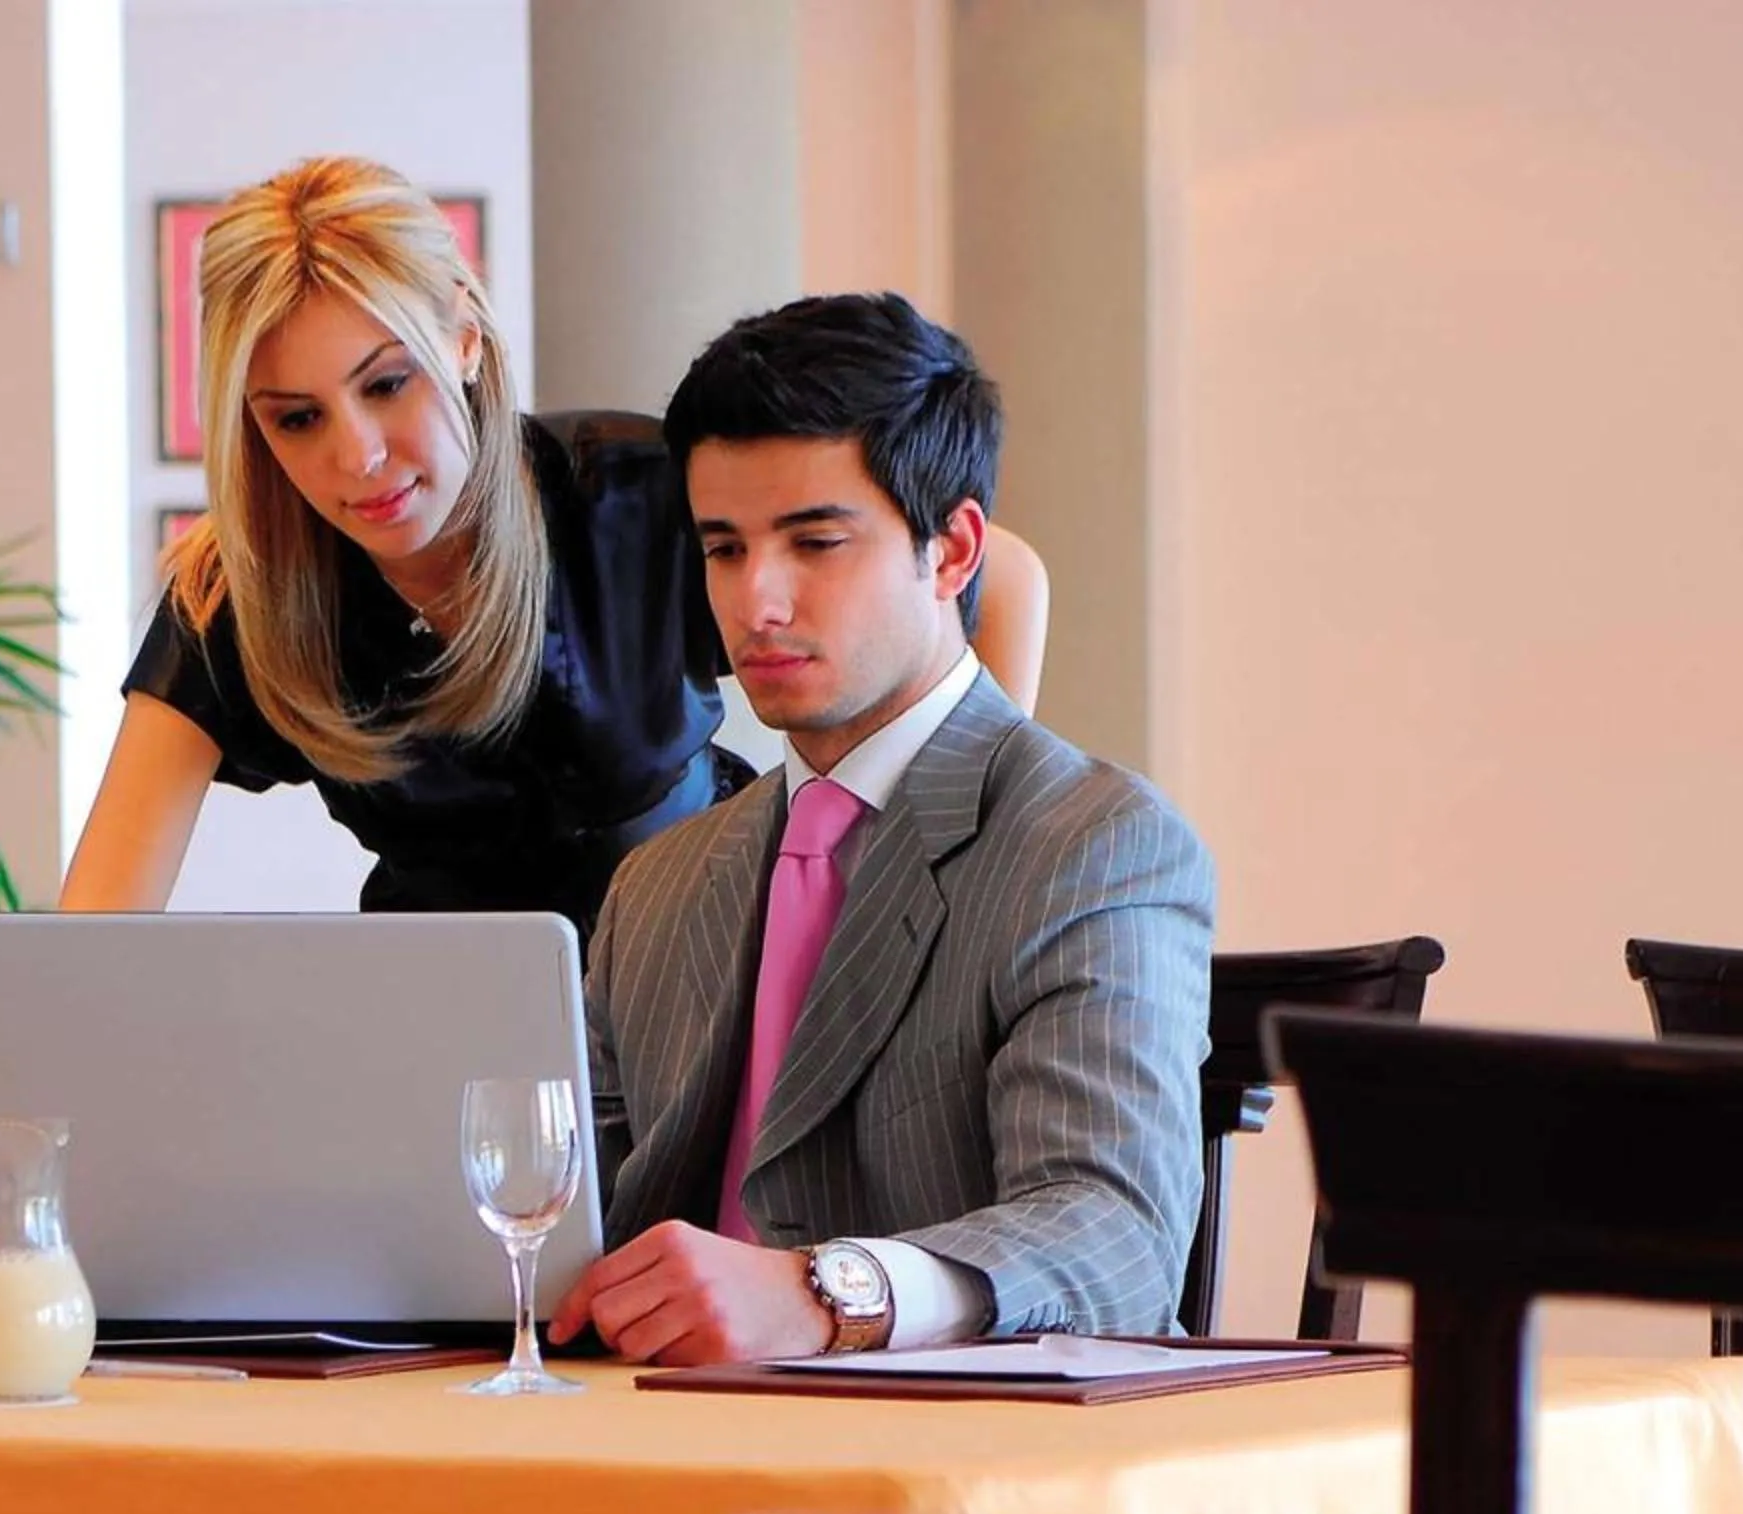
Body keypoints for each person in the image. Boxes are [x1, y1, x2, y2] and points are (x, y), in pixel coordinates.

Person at [60, 156, 1050, 934]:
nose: (357, 457)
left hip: (711, 1005)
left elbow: (1000, 575)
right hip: (447, 1045)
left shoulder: (628, 496)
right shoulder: (252, 598)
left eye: (387, 383)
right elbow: (90, 933)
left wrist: (947, 873)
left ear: (462, 338)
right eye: (296, 419)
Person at [552, 294, 1211, 1367]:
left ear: (953, 553)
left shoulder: (1094, 842)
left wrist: (826, 1295)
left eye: (815, 542)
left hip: (958, 1480)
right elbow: (570, 1231)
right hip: (650, 1454)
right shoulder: (658, 886)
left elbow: (1116, 1234)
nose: (756, 600)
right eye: (723, 549)